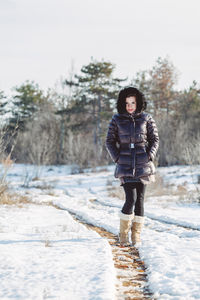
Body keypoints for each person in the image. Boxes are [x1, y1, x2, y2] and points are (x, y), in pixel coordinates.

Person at [105, 87, 159, 247]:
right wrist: (117, 158)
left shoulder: (146, 118)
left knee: (140, 201)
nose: (129, 106)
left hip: (143, 165)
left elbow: (155, 139)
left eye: (133, 103)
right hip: (125, 165)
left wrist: (149, 155)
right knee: (131, 199)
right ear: (122, 103)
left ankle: (136, 236)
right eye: (127, 103)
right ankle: (123, 235)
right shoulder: (116, 119)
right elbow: (109, 141)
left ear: (138, 103)